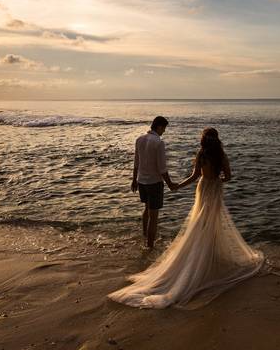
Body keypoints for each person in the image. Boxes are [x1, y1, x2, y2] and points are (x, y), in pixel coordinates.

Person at [111, 127, 264, 308]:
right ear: (217, 140)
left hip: (202, 188)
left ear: (203, 141)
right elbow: (228, 177)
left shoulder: (201, 154)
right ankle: (209, 254)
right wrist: (218, 181)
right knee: (212, 220)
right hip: (214, 188)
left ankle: (203, 252)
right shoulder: (221, 156)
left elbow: (194, 176)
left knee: (199, 220)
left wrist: (177, 186)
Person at [131, 116, 178, 249]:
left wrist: (134, 180)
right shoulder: (158, 142)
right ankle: (150, 246)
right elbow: (162, 168)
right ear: (159, 127)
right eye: (164, 128)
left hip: (141, 182)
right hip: (154, 183)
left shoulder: (139, 139)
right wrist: (170, 184)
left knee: (146, 209)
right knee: (154, 216)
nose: (164, 131)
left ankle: (145, 236)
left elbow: (136, 163)